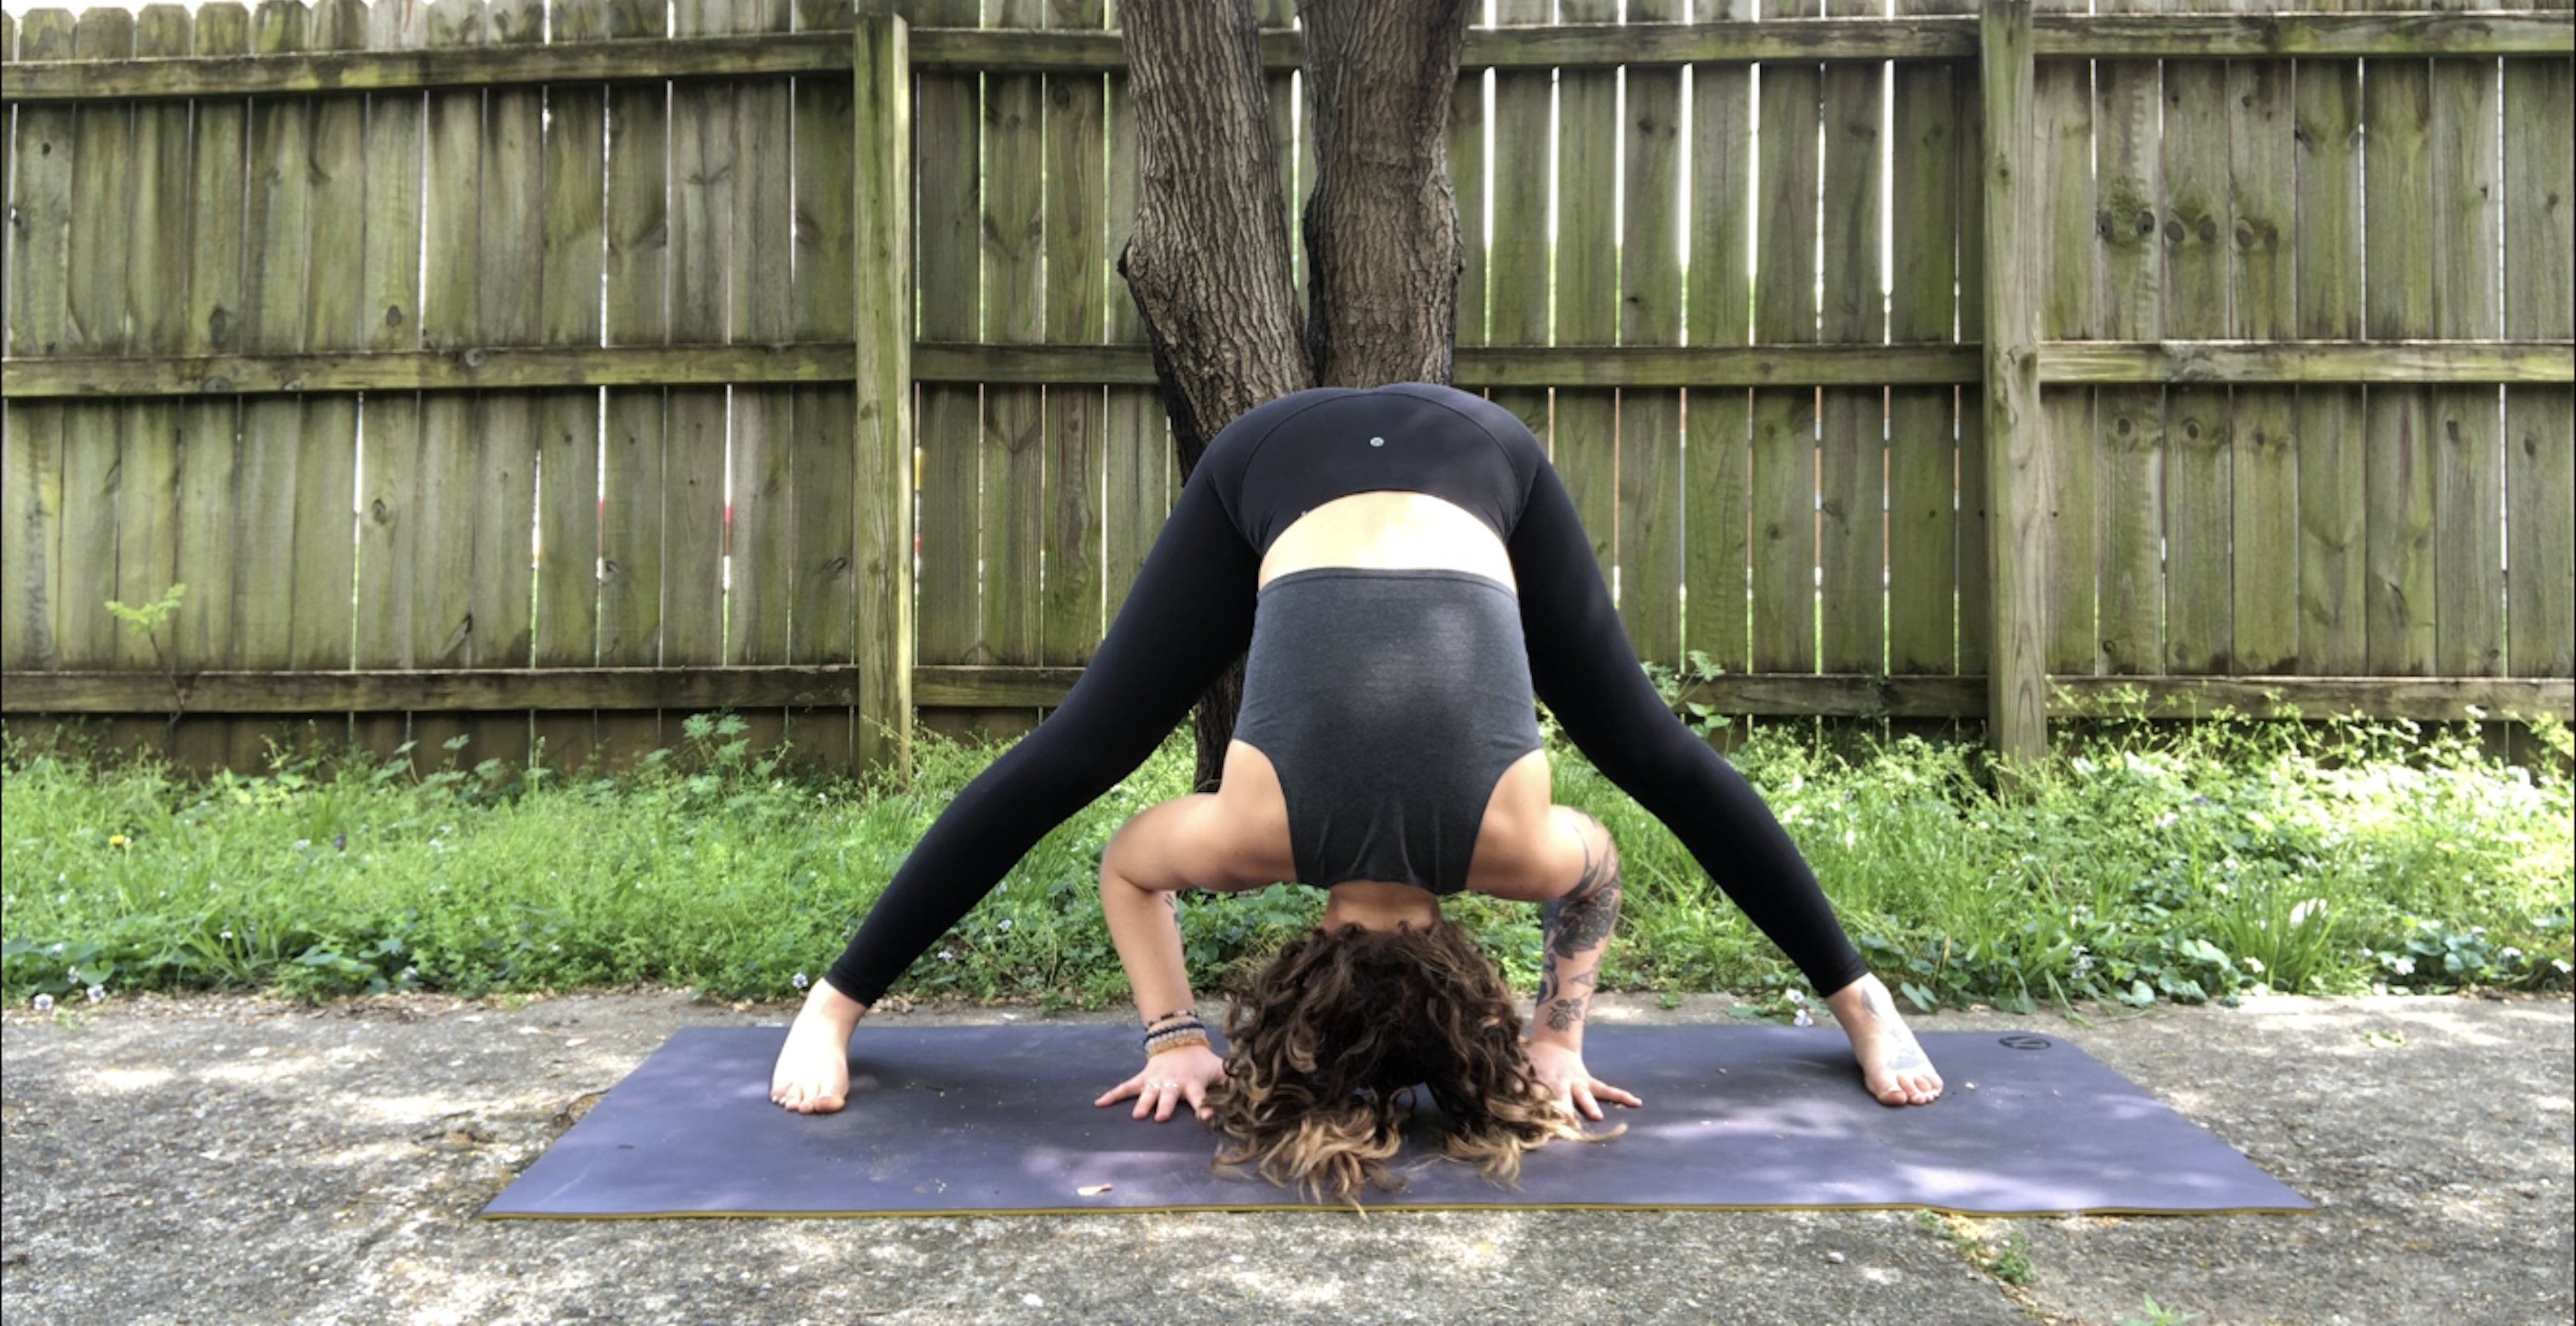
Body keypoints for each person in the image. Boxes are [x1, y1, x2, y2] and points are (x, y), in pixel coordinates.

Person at [770, 384, 1943, 1156]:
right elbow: (1130, 870)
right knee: (1082, 755)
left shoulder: (1515, 855)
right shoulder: (1252, 843)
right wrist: (1174, 1033)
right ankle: (831, 1011)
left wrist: (1559, 1034)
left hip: (1463, 451)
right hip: (1338, 454)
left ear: (1464, 957)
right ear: (1310, 943)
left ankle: (1862, 1002)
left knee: (1648, 754)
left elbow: (1597, 876)